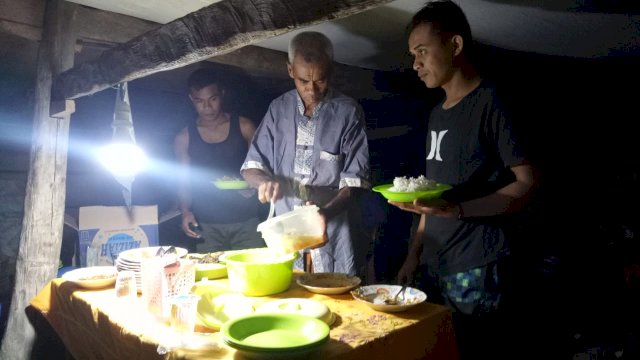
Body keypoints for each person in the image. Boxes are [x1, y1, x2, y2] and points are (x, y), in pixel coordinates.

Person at [390, 1, 539, 359]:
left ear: (455, 45)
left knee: (476, 349)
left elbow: (527, 182)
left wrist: (459, 210)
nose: (415, 64)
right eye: (413, 54)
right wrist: (414, 254)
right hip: (435, 264)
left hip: (477, 264)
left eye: (422, 51)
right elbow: (430, 193)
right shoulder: (437, 114)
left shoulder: (492, 101)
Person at [241, 31, 371, 276]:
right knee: (293, 295)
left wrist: (325, 213)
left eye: (320, 80)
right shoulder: (278, 109)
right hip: (286, 231)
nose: (312, 90)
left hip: (334, 230)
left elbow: (356, 182)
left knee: (338, 297)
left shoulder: (348, 112)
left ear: (330, 71)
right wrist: (264, 181)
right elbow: (251, 167)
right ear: (290, 71)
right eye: (303, 81)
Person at [175, 68, 266, 253]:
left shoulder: (245, 126)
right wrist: (185, 212)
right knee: (212, 278)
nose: (207, 107)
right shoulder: (184, 137)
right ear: (192, 99)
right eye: (200, 101)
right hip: (207, 224)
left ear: (222, 95)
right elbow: (183, 180)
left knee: (252, 276)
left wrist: (253, 185)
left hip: (247, 220)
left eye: (212, 99)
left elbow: (261, 167)